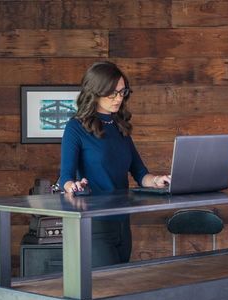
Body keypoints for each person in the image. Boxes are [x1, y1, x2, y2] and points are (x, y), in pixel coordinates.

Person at [59, 61, 171, 267]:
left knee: (120, 285)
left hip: (122, 222)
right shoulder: (75, 128)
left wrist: (157, 180)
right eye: (112, 93)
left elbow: (140, 173)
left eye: (122, 92)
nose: (118, 98)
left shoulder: (119, 127)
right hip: (94, 224)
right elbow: (65, 177)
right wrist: (72, 186)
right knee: (107, 287)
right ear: (95, 91)